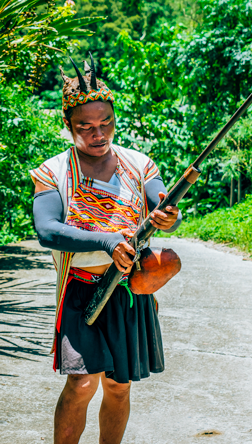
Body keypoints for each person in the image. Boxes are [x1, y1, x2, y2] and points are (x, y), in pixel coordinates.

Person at [30, 55, 182, 444]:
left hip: (130, 291)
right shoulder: (53, 173)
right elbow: (47, 230)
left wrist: (169, 217)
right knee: (82, 383)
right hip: (83, 290)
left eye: (106, 123)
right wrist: (107, 240)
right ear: (68, 125)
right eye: (86, 127)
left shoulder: (139, 164)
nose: (99, 134)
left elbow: (161, 202)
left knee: (119, 385)